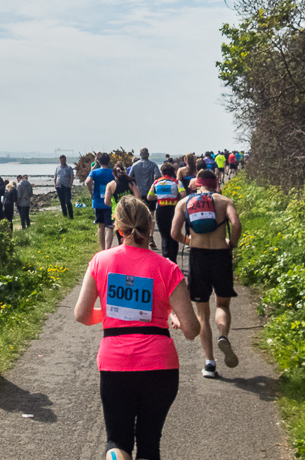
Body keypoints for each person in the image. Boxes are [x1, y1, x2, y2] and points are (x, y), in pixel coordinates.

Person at [74, 196, 200, 460]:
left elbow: (82, 315)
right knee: (149, 444)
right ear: (150, 225)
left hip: (115, 364)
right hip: (160, 366)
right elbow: (191, 329)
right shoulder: (168, 268)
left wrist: (111, 316)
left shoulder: (100, 261)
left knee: (117, 441)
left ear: (119, 229)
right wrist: (174, 318)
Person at [170, 169, 243, 379]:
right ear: (215, 183)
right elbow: (236, 225)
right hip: (221, 256)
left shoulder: (184, 203)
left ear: (198, 184)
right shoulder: (225, 201)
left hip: (198, 257)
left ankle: (210, 363)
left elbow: (174, 234)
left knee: (202, 313)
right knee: (222, 305)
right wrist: (233, 243)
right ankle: (223, 335)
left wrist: (189, 241)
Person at [147, 164, 186, 263]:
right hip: (173, 211)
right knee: (174, 234)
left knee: (164, 235)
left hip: (161, 211)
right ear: (173, 172)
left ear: (162, 172)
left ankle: (166, 259)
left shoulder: (156, 182)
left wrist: (160, 196)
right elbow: (184, 194)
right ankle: (173, 260)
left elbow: (149, 197)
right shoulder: (177, 182)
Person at [86, 154, 116, 250]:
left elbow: (87, 182)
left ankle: (103, 249)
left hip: (98, 201)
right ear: (109, 162)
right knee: (109, 226)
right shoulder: (112, 172)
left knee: (101, 225)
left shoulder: (94, 172)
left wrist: (91, 192)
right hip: (110, 202)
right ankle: (108, 248)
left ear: (99, 162)